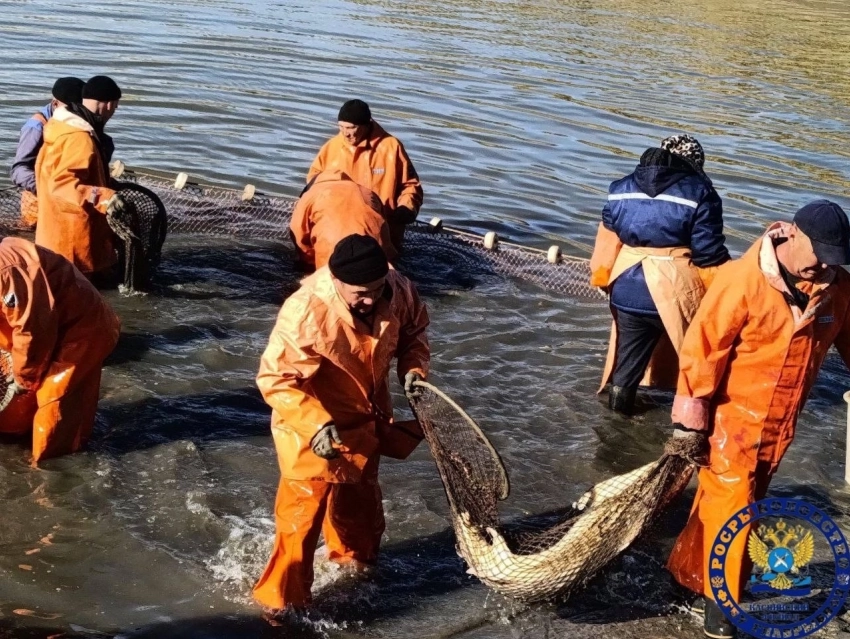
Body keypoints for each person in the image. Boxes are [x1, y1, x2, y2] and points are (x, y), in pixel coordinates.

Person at [665, 200, 850, 639]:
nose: (823, 265)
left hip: (781, 425)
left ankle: (688, 573)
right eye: (818, 253)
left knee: (724, 505)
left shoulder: (838, 288)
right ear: (791, 234)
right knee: (737, 511)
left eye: (834, 258)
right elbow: (702, 351)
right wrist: (690, 420)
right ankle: (721, 609)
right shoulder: (741, 280)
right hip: (730, 423)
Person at [253, 234, 430, 614]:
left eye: (375, 290)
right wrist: (316, 424)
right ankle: (279, 607)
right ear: (335, 281)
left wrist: (413, 370)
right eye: (359, 294)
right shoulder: (305, 310)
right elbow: (275, 378)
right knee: (300, 523)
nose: (369, 299)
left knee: (362, 510)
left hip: (366, 420)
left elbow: (414, 331)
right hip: (309, 425)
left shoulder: (396, 287)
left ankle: (354, 571)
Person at [589, 134, 730, 415]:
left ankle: (617, 423)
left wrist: (604, 277)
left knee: (627, 365)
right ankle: (689, 429)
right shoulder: (701, 193)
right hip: (675, 289)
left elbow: (609, 232)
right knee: (699, 364)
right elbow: (708, 254)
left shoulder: (620, 188)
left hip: (626, 286)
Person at [0, 236, 120, 462]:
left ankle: (49, 472)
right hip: (35, 325)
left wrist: (23, 378)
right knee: (16, 409)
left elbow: (33, 330)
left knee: (55, 407)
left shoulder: (7, 271)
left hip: (77, 329)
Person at [34, 75, 125, 284]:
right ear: (109, 104)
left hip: (52, 235)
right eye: (116, 108)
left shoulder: (60, 127)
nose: (113, 113)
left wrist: (107, 184)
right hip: (72, 244)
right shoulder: (79, 138)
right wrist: (104, 197)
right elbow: (63, 185)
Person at [307, 99, 423, 252]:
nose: (345, 133)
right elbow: (313, 183)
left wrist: (406, 209)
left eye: (351, 128)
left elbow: (411, 186)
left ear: (366, 124)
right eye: (341, 127)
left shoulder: (391, 147)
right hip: (340, 231)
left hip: (382, 234)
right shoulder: (331, 147)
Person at [10, 77, 85, 228]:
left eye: (79, 109)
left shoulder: (76, 123)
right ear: (55, 103)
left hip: (66, 198)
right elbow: (18, 170)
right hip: (38, 202)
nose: (75, 114)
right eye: (70, 109)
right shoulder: (36, 127)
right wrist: (46, 188)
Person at [290, 170, 398, 270]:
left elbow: (300, 238)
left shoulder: (310, 195)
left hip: (333, 262)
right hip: (376, 260)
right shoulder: (368, 192)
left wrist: (307, 264)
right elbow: (384, 229)